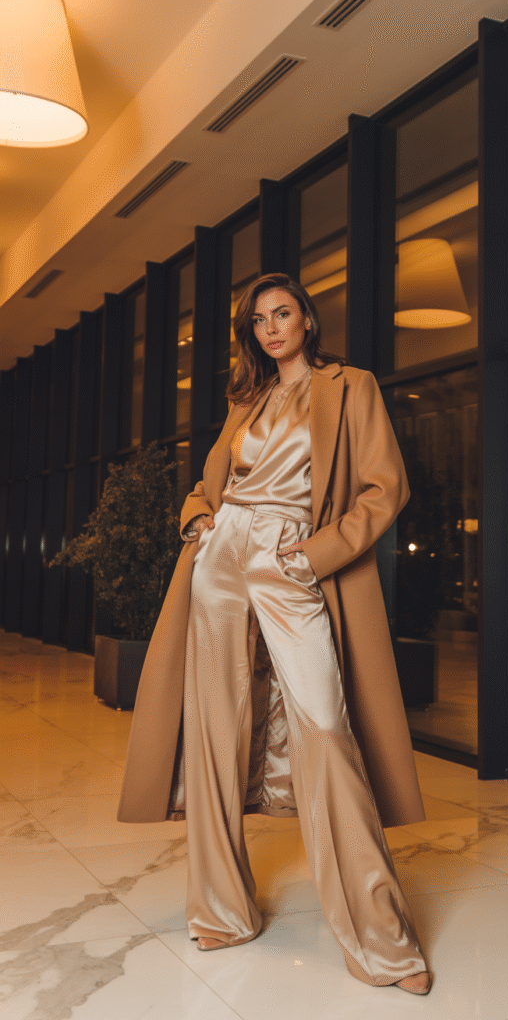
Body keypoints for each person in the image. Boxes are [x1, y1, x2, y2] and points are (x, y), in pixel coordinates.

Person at [117, 273, 431, 995]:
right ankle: (223, 911)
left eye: (282, 313)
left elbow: (386, 488)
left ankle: (382, 939)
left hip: (293, 558)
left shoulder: (353, 387)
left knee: (325, 725)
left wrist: (316, 553)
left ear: (308, 319)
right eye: (258, 321)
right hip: (221, 559)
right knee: (216, 728)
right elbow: (215, 477)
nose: (271, 328)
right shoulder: (246, 398)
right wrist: (198, 514)